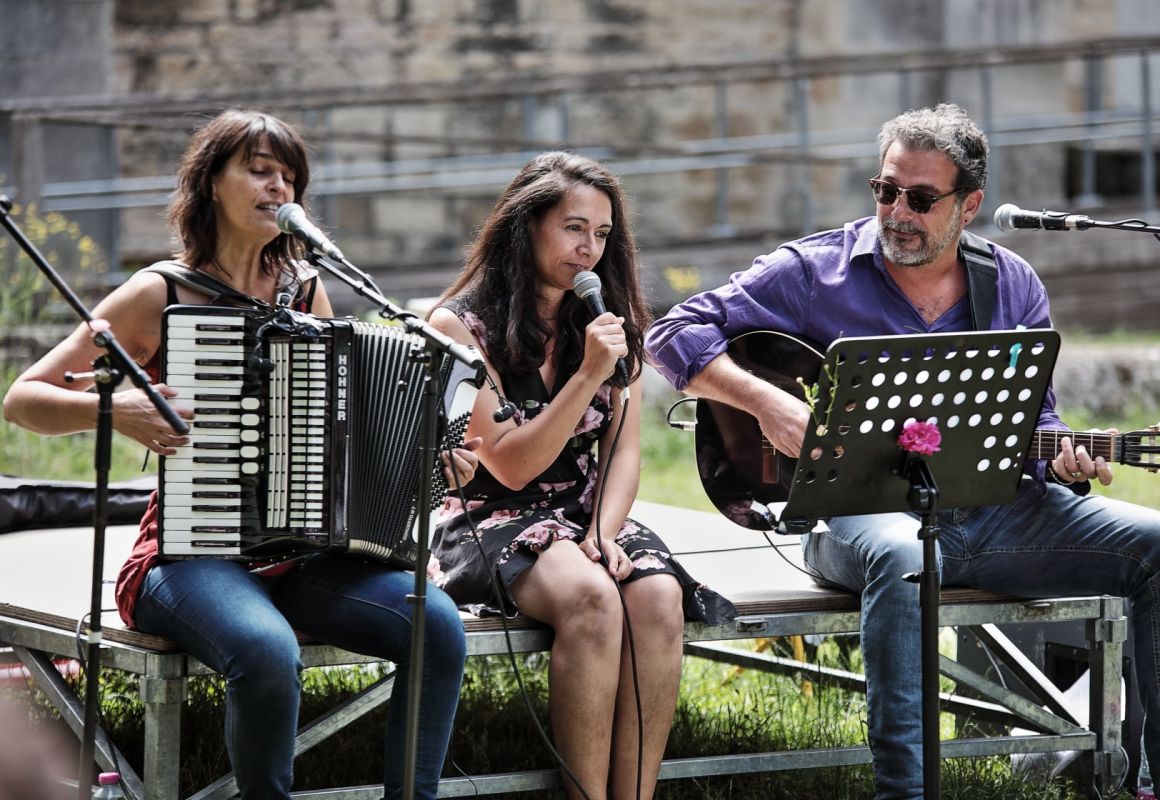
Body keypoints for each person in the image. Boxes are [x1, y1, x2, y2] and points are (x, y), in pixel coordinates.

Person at [645, 102, 1160, 800]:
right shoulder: (812, 273)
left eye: (920, 198)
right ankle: (903, 793)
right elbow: (673, 332)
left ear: (969, 206)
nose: (896, 211)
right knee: (910, 556)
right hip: (856, 519)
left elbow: (1039, 420)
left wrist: (1060, 459)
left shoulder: (1013, 284)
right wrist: (766, 401)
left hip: (997, 516)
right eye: (885, 190)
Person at [1, 109, 479, 800]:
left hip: (303, 554)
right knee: (264, 649)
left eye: (290, 176)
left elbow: (333, 434)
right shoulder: (160, 292)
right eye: (259, 170)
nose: (277, 187)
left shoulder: (305, 293)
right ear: (210, 184)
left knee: (434, 622)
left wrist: (421, 465)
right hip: (191, 555)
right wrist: (118, 409)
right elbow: (23, 397)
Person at [425, 151, 734, 800]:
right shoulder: (458, 325)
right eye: (573, 228)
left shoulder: (604, 318)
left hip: (581, 513)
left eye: (601, 233)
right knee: (591, 599)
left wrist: (602, 527)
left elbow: (623, 447)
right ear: (526, 225)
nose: (588, 248)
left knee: (656, 597)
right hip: (486, 515)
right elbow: (508, 464)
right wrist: (589, 373)